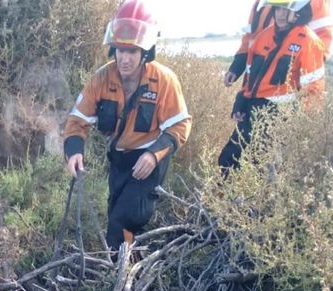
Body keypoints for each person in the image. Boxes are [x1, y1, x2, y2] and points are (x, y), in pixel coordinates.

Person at [63, 0, 192, 256]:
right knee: (117, 214)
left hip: (149, 159)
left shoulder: (164, 80)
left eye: (132, 51)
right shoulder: (102, 78)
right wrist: (74, 151)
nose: (124, 58)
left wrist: (153, 155)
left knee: (123, 220)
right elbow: (77, 120)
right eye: (120, 50)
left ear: (146, 51)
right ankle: (135, 263)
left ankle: (118, 277)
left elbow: (180, 124)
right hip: (120, 158)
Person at [218, 0, 326, 173]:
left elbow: (314, 90)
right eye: (277, 9)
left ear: (297, 11)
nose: (280, 15)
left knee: (261, 167)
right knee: (228, 159)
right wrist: (241, 101)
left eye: (285, 10)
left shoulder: (309, 42)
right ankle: (222, 198)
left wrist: (303, 127)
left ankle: (252, 198)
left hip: (280, 115)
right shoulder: (264, 37)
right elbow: (250, 75)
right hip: (253, 109)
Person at [223, 0, 331, 88]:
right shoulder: (260, 3)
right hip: (254, 80)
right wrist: (236, 67)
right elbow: (250, 37)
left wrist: (293, 70)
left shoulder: (316, 2)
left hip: (286, 85)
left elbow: (322, 41)